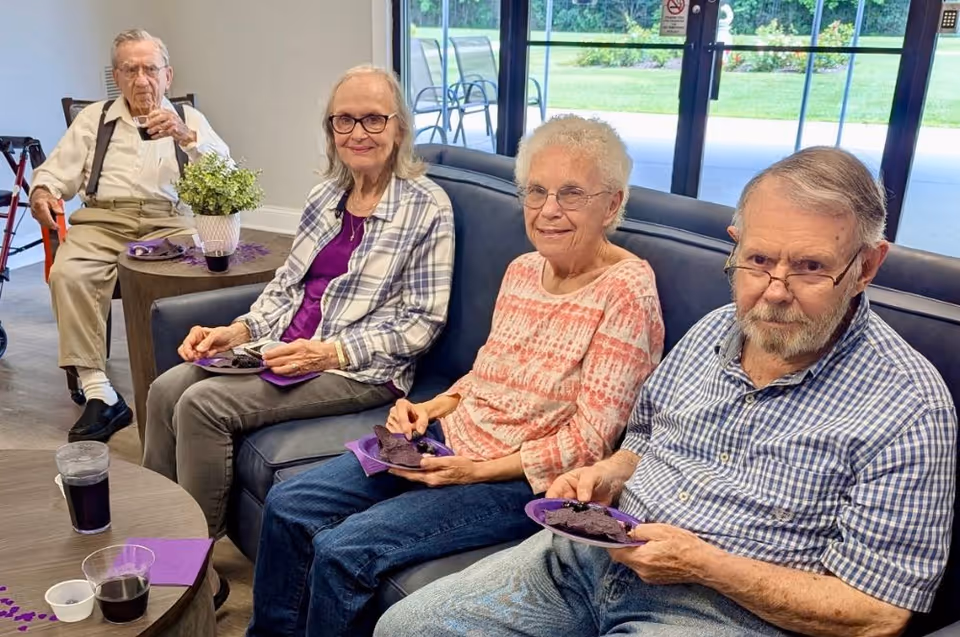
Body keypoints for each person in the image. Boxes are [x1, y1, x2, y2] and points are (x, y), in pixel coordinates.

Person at [376, 147, 958, 637]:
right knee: (404, 628)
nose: (774, 292)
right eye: (757, 261)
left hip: (719, 610)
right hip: (587, 555)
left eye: (809, 267)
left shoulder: (910, 407)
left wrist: (707, 567)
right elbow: (645, 440)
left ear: (868, 265)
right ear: (736, 246)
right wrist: (607, 475)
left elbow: (878, 612)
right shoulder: (713, 329)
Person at [245, 115, 665, 637]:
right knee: (290, 505)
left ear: (613, 204)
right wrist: (431, 408)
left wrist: (473, 471)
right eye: (536, 191)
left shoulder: (627, 291)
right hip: (444, 442)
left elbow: (590, 442)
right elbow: (485, 374)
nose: (548, 210)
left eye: (571, 194)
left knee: (343, 551)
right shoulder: (522, 269)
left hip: (518, 481)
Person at [141, 65, 455, 605]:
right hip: (282, 350)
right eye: (344, 121)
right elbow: (286, 288)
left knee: (202, 405)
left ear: (399, 127)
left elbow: (421, 323)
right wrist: (236, 330)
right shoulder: (324, 197)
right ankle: (155, 541)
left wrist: (329, 350)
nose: (358, 133)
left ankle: (195, 575)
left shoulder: (428, 209)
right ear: (331, 130)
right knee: (166, 387)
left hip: (359, 370)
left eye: (373, 119)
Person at [28, 29, 231, 443]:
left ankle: (188, 377)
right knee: (69, 274)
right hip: (102, 219)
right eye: (130, 69)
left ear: (168, 75)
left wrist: (184, 136)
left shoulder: (188, 120)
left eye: (150, 69)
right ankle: (99, 391)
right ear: (116, 77)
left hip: (167, 221)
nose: (141, 80)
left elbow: (226, 174)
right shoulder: (95, 119)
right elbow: (55, 172)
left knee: (194, 278)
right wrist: (43, 191)